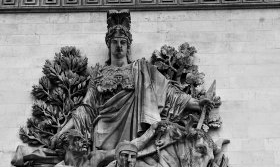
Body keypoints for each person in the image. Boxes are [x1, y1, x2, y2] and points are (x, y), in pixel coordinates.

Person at [55, 10, 211, 151]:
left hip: (135, 129)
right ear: (108, 45)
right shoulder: (99, 73)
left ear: (128, 46)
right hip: (103, 131)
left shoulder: (142, 69)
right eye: (114, 42)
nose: (119, 46)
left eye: (123, 42)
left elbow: (168, 93)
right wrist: (62, 131)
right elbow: (87, 108)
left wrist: (196, 104)